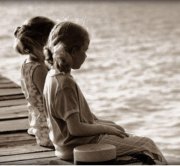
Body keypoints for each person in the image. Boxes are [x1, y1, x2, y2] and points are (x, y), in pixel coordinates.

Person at [43, 21, 167, 164]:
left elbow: (81, 119)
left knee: (122, 131)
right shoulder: (65, 84)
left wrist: (109, 126)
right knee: (147, 144)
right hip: (78, 146)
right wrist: (105, 128)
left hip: (65, 146)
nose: (86, 56)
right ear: (74, 51)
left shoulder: (52, 76)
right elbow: (75, 129)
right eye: (85, 50)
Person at [14, 16, 55, 147]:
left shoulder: (27, 63)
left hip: (38, 125)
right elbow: (52, 102)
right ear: (43, 43)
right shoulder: (39, 69)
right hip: (50, 132)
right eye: (54, 42)